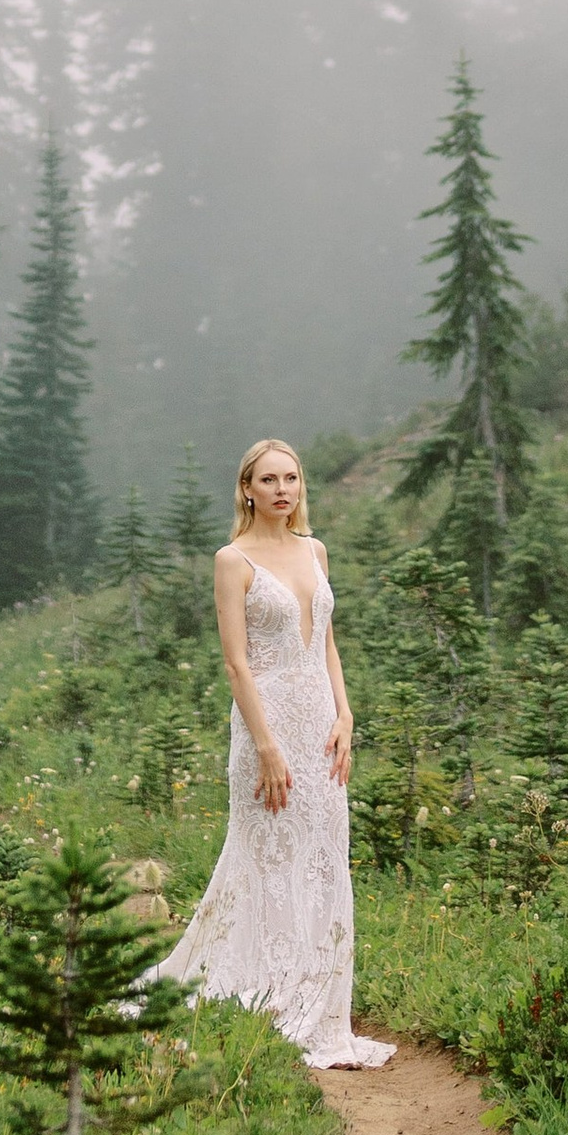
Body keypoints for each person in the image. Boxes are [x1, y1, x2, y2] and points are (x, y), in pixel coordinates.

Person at [153, 436, 395, 1069]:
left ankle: (318, 991)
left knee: (321, 854)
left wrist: (345, 714)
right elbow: (236, 663)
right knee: (266, 854)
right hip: (266, 726)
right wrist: (264, 745)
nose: (283, 490)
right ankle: (263, 988)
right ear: (247, 489)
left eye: (291, 478)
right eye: (270, 480)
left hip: (321, 726)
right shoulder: (232, 559)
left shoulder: (315, 550)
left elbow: (328, 645)